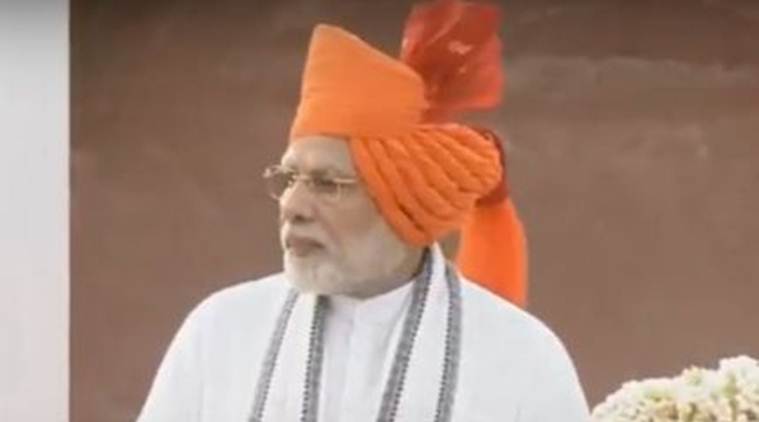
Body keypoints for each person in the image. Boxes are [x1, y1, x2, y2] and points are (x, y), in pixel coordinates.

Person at [137, 0, 589, 420]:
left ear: (403, 203)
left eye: (327, 184)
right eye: (289, 178)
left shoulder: (521, 355)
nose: (293, 205)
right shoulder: (222, 331)